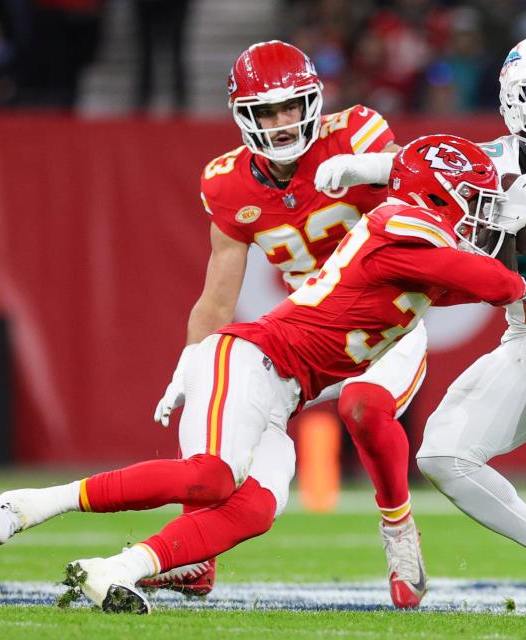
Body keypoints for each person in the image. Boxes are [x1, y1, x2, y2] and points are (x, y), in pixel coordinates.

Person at [0, 134, 526, 615]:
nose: (484, 211)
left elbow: (475, 286)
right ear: (437, 194)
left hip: (283, 392)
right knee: (210, 477)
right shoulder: (401, 231)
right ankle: (33, 503)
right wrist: (522, 230)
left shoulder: (415, 244)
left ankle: (116, 568)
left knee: (252, 509)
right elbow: (502, 285)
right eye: (476, 199)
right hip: (248, 359)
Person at [317, 31, 526, 619]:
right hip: (524, 335)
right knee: (441, 456)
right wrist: (352, 169)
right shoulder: (488, 162)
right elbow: (415, 164)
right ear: (512, 100)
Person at [151, 40, 432, 607]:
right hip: (305, 332)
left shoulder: (355, 133)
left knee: (366, 407)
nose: (281, 123)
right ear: (242, 117)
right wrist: (192, 363)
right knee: (217, 399)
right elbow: (216, 298)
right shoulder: (228, 182)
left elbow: (430, 191)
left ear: (314, 100)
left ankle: (399, 529)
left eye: (290, 106)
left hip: (384, 324)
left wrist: (378, 168)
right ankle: (193, 552)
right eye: (265, 111)